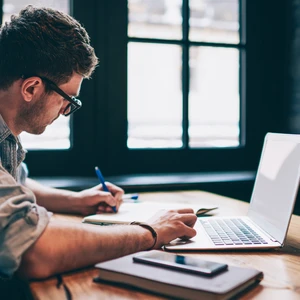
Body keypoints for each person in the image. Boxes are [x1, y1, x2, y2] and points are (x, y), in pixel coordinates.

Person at [0, 6, 197, 280]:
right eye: (68, 100)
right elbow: (35, 251)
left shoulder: (6, 136)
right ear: (31, 88)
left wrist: (76, 201)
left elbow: (15, 183)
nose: (65, 112)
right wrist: (150, 232)